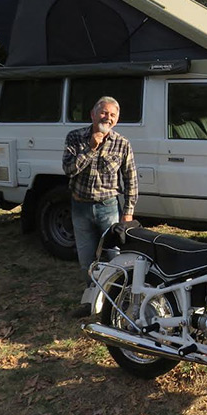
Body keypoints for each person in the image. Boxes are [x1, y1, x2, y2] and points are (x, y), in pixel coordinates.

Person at [62, 96, 138, 315]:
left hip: (108, 207)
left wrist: (128, 212)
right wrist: (90, 149)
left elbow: (131, 179)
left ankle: (118, 302)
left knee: (115, 258)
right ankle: (90, 301)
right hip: (80, 207)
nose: (108, 118)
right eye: (104, 113)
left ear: (117, 120)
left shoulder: (122, 143)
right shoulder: (75, 138)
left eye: (112, 115)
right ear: (93, 115)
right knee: (87, 262)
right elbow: (68, 170)